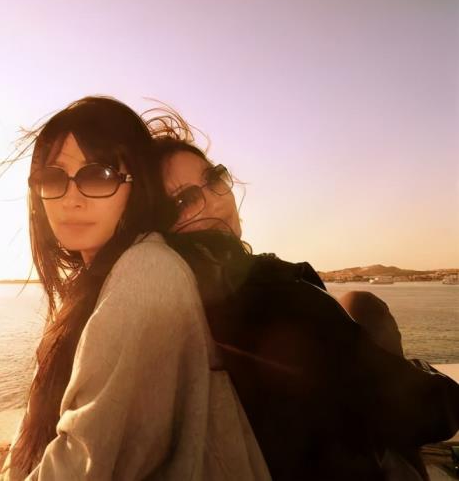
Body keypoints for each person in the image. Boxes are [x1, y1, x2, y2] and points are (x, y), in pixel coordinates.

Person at [148, 115, 459, 481]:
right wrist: (425, 372)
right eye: (185, 199)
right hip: (348, 465)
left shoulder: (184, 296)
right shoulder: (274, 299)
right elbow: (425, 413)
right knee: (367, 308)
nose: (218, 201)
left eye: (214, 178)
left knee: (360, 304)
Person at [0, 96, 270, 480]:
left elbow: (85, 465)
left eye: (98, 176)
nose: (71, 200)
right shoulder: (86, 289)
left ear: (136, 185)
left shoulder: (148, 271)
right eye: (53, 178)